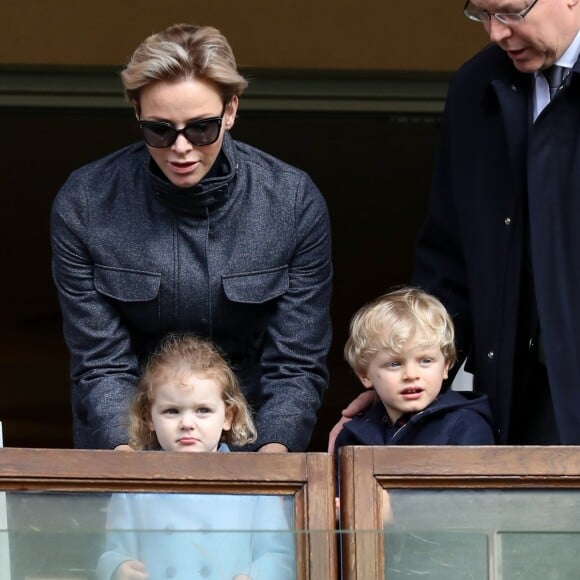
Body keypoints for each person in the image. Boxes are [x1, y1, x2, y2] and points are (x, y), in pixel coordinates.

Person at [51, 23, 332, 453]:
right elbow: (100, 362)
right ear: (136, 116)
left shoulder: (291, 203)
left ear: (231, 111)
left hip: (251, 442)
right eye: (159, 131)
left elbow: (295, 362)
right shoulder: (86, 203)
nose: (181, 148)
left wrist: (273, 464)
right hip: (124, 442)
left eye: (201, 129)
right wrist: (128, 464)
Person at [330, 0, 580, 449]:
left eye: (509, 12)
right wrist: (407, 370)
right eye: (481, 14)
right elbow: (447, 253)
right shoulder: (475, 86)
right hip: (518, 395)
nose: (495, 33)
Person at [96, 333, 295, 580]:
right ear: (149, 418)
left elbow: (279, 555)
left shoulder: (253, 480)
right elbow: (113, 550)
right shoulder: (134, 484)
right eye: (172, 411)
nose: (187, 423)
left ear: (228, 416)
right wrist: (118, 569)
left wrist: (256, 576)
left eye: (203, 410)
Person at [334, 288, 494, 451]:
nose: (411, 375)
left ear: (446, 366)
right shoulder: (352, 437)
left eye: (425, 361)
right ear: (364, 374)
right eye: (394, 364)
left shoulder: (466, 427)